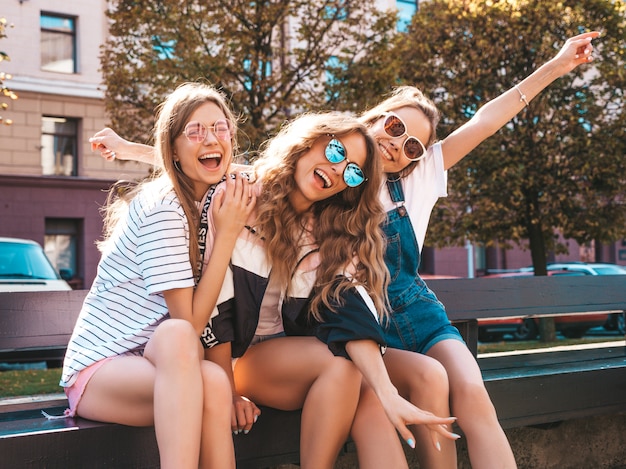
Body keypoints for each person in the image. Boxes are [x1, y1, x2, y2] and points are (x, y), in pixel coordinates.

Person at [92, 111, 460, 468]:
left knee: (367, 391)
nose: (336, 169)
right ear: (309, 142)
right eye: (335, 152)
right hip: (227, 360)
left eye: (351, 172)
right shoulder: (239, 196)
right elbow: (213, 296)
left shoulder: (328, 233)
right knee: (348, 371)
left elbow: (347, 309)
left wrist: (386, 390)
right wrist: (228, 389)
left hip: (281, 359)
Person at [353, 31, 601, 468]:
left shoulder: (417, 178)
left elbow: (485, 121)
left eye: (412, 144)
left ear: (416, 158)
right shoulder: (330, 174)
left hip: (418, 313)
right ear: (375, 118)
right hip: (364, 326)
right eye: (393, 126)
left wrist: (558, 65)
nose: (397, 143)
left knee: (472, 395)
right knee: (434, 390)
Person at [61, 82, 256, 469]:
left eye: (219, 129)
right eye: (194, 132)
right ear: (173, 150)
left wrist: (132, 149)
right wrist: (229, 234)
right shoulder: (164, 207)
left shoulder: (208, 198)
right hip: (101, 372)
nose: (210, 139)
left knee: (216, 382)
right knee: (179, 333)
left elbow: (274, 173)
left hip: (160, 363)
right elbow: (189, 322)